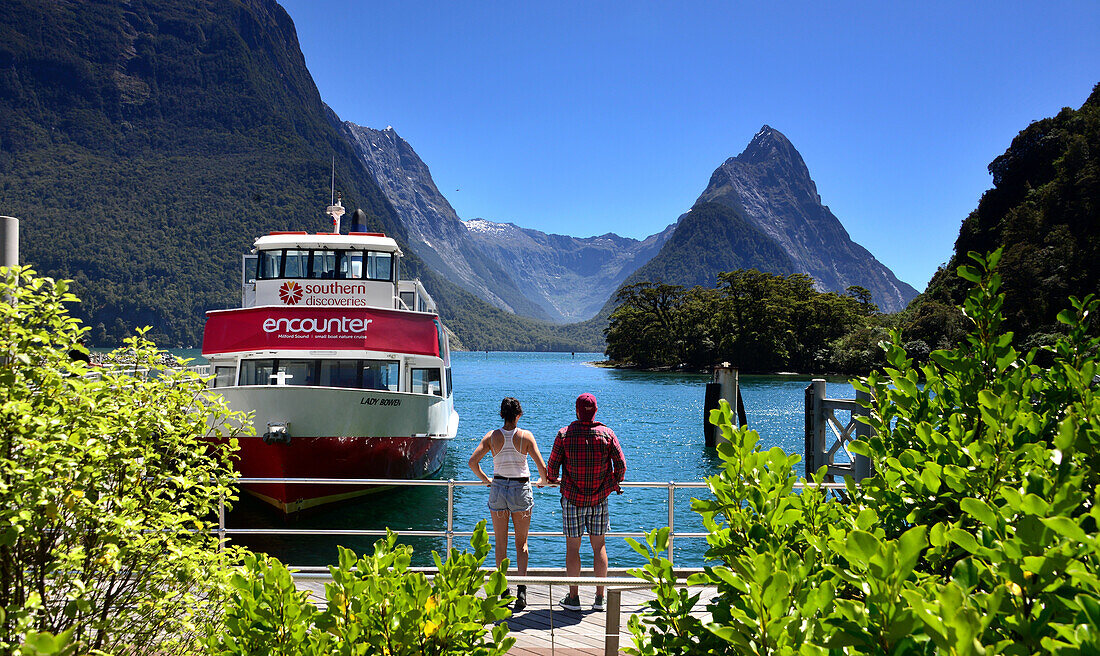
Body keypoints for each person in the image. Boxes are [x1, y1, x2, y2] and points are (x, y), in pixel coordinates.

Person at [546, 393, 626, 612]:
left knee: (573, 548)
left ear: (577, 410)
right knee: (599, 546)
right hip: (599, 500)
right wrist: (610, 483)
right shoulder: (607, 435)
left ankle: (574, 598)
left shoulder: (564, 435)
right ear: (596, 411)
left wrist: (554, 480)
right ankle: (600, 598)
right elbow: (621, 468)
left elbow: (551, 471)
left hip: (572, 499)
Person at [468, 397, 548, 612]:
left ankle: (503, 590)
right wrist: (542, 482)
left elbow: (472, 462)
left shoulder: (492, 437)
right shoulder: (526, 437)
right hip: (520, 490)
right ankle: (522, 589)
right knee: (521, 544)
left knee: (501, 543)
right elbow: (543, 469)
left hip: (498, 488)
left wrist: (486, 480)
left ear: (502, 414)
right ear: (519, 415)